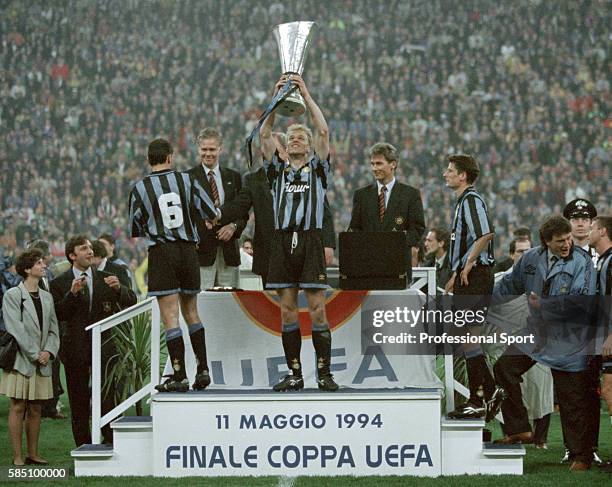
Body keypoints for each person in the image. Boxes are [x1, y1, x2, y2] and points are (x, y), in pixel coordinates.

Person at [492, 216, 597, 472]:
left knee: (570, 398)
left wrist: (546, 306)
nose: (567, 244)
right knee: (504, 367)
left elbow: (581, 301)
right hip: (537, 332)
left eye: (569, 239)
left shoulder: (582, 262)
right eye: (561, 241)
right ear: (546, 241)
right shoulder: (530, 259)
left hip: (567, 338)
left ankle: (580, 455)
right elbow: (508, 285)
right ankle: (520, 429)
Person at [259, 74, 338, 392]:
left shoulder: (318, 169)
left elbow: (323, 129)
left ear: (308, 146)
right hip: (282, 242)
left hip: (310, 239)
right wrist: (275, 98)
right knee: (288, 308)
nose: (295, 141)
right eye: (290, 138)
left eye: (300, 138)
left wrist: (304, 93)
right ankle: (295, 373)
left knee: (317, 307)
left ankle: (324, 372)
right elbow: (264, 132)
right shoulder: (276, 170)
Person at [128, 138, 219, 393]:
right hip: (189, 251)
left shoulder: (140, 188)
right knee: (192, 313)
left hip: (163, 252)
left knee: (170, 317)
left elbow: (136, 228)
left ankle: (179, 375)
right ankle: (203, 369)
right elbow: (212, 211)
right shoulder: (187, 180)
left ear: (149, 160)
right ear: (170, 157)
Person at [50, 235, 136, 446]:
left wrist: (119, 289)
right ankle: (83, 444)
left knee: (106, 397)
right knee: (78, 400)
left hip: (104, 349)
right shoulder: (59, 283)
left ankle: (109, 440)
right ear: (71, 256)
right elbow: (59, 314)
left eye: (90, 248)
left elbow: (132, 301)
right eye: (83, 249)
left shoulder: (107, 278)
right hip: (75, 350)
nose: (90, 252)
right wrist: (72, 294)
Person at [220, 136, 336, 288]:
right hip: (269, 254)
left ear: (284, 152)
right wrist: (218, 214)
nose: (265, 152)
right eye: (264, 148)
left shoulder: (306, 175)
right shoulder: (253, 179)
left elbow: (324, 213)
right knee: (273, 305)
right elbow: (239, 207)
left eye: (272, 149)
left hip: (304, 251)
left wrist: (328, 244)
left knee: (305, 303)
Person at [443, 154, 499, 419]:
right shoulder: (462, 202)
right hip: (468, 275)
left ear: (463, 174)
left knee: (468, 337)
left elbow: (485, 233)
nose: (446, 173)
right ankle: (488, 391)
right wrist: (457, 271)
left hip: (476, 276)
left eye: (450, 170)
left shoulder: (471, 200)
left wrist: (469, 263)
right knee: (467, 337)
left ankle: (481, 395)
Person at [487, 237, 553, 449]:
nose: (524, 256)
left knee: (543, 391)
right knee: (504, 371)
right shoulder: (504, 279)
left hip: (546, 336)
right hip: (516, 340)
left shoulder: (547, 274)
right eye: (520, 252)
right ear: (512, 254)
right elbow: (494, 299)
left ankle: (544, 440)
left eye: (528, 251)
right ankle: (517, 430)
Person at [1, 248, 60, 465]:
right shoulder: (13, 295)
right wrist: (36, 354)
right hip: (21, 360)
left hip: (42, 361)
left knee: (36, 408)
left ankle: (33, 454)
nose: (44, 265)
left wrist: (49, 352)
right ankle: (17, 457)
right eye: (38, 263)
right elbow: (15, 328)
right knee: (18, 406)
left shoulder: (47, 297)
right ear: (27, 269)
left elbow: (54, 329)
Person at [348, 142, 425, 269]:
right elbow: (354, 228)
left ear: (393, 164)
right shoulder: (361, 195)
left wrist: (394, 244)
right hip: (369, 264)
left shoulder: (410, 194)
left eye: (379, 163)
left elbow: (417, 229)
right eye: (372, 164)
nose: (374, 168)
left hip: (398, 263)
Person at [187, 128, 246, 289]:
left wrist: (233, 227)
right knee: (202, 304)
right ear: (198, 149)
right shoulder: (188, 178)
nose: (208, 153)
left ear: (220, 149)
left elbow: (243, 213)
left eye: (212, 149)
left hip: (229, 254)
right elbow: (186, 216)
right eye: (204, 149)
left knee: (230, 304)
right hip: (202, 254)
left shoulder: (234, 177)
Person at [27, 239, 65, 420]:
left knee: (54, 369)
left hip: (52, 332)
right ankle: (35, 408)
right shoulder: (25, 282)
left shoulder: (48, 276)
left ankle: (51, 407)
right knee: (36, 371)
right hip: (35, 335)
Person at [588, 215, 612, 471]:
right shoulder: (603, 261)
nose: (590, 232)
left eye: (593, 227)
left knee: (609, 391)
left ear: (603, 231)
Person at [564, 198, 598, 262]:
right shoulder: (560, 254)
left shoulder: (600, 254)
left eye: (585, 220)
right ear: (568, 224)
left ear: (591, 223)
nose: (580, 224)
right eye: (575, 220)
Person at [422, 227, 452, 293]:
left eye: (429, 241)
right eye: (426, 240)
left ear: (441, 243)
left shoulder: (453, 265)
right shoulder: (427, 264)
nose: (425, 244)